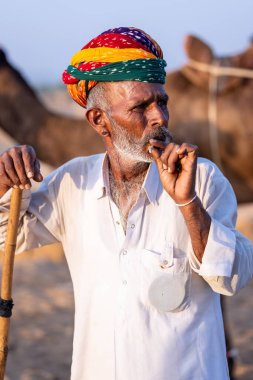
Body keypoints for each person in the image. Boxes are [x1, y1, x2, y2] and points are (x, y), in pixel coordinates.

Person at [0, 27, 252, 380]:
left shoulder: (203, 180)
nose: (160, 118)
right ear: (99, 120)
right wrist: (7, 183)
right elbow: (7, 235)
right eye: (141, 106)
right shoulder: (74, 184)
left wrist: (188, 204)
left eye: (161, 102)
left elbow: (234, 276)